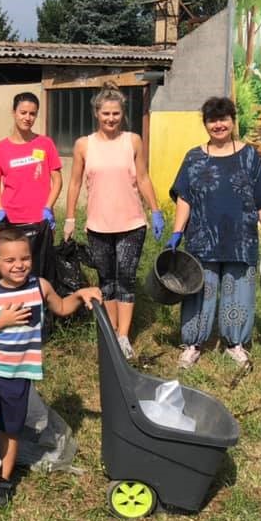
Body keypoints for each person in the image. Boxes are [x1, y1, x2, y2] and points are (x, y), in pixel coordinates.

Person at [0, 227, 101, 508]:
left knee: (9, 431)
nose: (19, 265)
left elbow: (62, 307)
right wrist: (1, 321)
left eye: (25, 258)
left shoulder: (40, 287)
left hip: (18, 374)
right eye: (10, 260)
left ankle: (3, 481)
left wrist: (80, 295)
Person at [167, 96, 261, 370]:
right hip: (202, 239)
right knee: (199, 291)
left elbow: (260, 198)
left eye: (223, 119)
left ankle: (235, 344)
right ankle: (193, 345)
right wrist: (176, 232)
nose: (218, 125)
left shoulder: (249, 156)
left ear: (232, 121)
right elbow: (185, 197)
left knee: (239, 291)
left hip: (240, 240)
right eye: (212, 120)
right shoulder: (194, 157)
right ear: (205, 124)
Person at [63, 82, 164, 362]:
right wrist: (69, 217)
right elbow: (73, 184)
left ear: (122, 114)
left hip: (131, 223)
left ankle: (123, 336)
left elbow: (142, 178)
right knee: (106, 280)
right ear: (97, 113)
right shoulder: (84, 145)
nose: (111, 119)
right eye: (106, 114)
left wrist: (155, 209)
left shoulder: (132, 141)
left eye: (116, 114)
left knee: (126, 280)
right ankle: (109, 336)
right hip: (98, 225)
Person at [0, 92, 62, 280]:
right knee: (13, 274)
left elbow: (57, 180)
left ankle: (40, 308)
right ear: (14, 112)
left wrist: (48, 207)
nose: (27, 118)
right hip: (11, 221)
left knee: (40, 273)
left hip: (40, 222)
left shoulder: (45, 144)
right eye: (23, 112)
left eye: (32, 113)